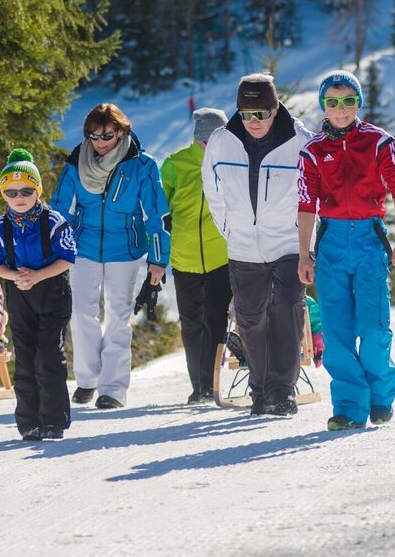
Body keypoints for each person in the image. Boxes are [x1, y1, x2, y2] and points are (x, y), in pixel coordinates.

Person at [297, 69, 395, 431]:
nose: (341, 108)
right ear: (323, 106)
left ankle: (380, 398)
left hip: (368, 239)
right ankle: (348, 406)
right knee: (336, 331)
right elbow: (306, 205)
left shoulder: (379, 142)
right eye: (332, 102)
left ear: (358, 102)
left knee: (374, 327)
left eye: (349, 100)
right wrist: (304, 253)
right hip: (331, 242)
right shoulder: (313, 150)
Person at [202, 73, 313, 417]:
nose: (253, 121)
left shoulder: (299, 141)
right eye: (246, 114)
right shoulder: (222, 141)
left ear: (275, 108)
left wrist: (306, 242)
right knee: (251, 320)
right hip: (243, 246)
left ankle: (282, 391)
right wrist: (230, 229)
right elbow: (212, 189)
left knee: (287, 313)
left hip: (288, 243)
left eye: (261, 114)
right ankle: (261, 391)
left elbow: (313, 195)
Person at [50, 103, 170, 409]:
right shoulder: (77, 162)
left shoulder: (142, 165)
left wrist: (157, 260)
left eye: (107, 135)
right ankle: (88, 378)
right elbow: (60, 210)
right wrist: (56, 251)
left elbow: (157, 215)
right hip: (84, 246)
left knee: (118, 316)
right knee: (81, 313)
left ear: (121, 132)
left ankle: (113, 390)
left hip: (125, 249)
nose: (100, 142)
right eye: (94, 135)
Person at [0, 149, 76, 441]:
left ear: (37, 190)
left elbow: (68, 258)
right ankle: (29, 422)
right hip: (19, 294)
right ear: (4, 194)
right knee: (25, 357)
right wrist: (15, 277)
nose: (19, 197)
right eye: (11, 192)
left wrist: (37, 276)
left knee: (48, 355)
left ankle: (54, 421)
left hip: (52, 289)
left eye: (26, 190)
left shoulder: (53, 221)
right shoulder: (0, 227)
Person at [160, 108, 233, 404]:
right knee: (191, 324)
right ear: (197, 138)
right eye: (206, 140)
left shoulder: (231, 162)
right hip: (185, 256)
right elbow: (159, 208)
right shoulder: (174, 164)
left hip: (220, 256)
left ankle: (211, 384)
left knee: (216, 320)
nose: (211, 145)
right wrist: (166, 226)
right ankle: (198, 386)